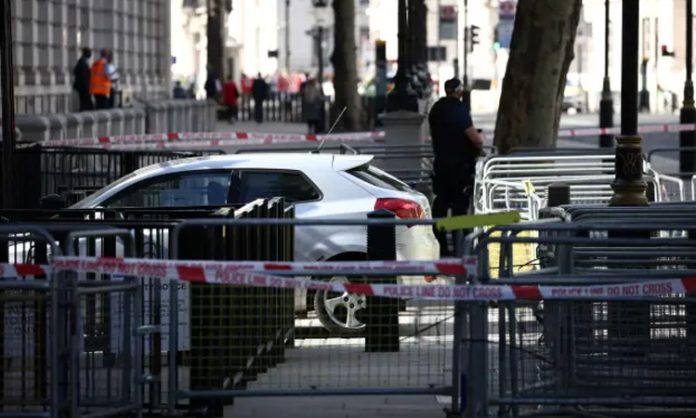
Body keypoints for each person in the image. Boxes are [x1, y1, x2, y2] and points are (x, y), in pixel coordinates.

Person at [428, 78, 483, 256]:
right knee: (460, 208)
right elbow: (475, 138)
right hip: (460, 168)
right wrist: (479, 148)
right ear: (458, 92)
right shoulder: (459, 109)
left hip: (441, 166)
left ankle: (441, 246)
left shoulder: (436, 109)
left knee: (441, 206)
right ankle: (461, 249)